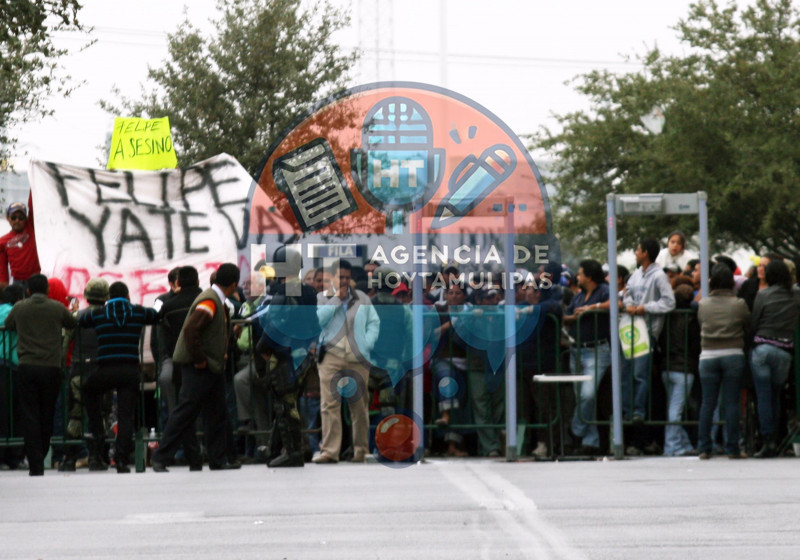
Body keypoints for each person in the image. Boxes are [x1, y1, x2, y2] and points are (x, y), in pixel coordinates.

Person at [151, 263, 242, 472]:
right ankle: (161, 457)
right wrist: (200, 359)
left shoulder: (215, 299)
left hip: (212, 365)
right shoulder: (209, 301)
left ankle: (218, 460)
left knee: (217, 413)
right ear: (234, 284)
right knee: (185, 412)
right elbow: (192, 330)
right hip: (200, 366)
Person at [79, 281, 159, 473]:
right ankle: (121, 460)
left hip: (105, 370)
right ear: (128, 295)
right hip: (130, 371)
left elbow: (82, 321)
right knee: (126, 416)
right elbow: (156, 315)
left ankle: (98, 443)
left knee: (88, 392)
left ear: (108, 297)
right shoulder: (138, 312)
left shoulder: (98, 314)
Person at [4, 274, 76, 475]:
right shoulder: (56, 307)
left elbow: (9, 325)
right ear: (47, 290)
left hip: (27, 366)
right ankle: (42, 452)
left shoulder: (20, 307)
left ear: (28, 291)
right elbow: (71, 323)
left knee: (30, 414)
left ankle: (35, 460)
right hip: (51, 367)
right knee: (47, 412)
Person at [255, 246, 320, 467]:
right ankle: (274, 450)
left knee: (285, 405)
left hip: (283, 356)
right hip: (303, 355)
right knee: (287, 404)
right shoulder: (310, 292)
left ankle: (293, 453)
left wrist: (261, 350)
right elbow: (315, 326)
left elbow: (274, 329)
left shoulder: (283, 293)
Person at [313, 259, 380, 464]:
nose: (343, 281)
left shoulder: (361, 298)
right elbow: (319, 321)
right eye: (339, 277)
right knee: (329, 404)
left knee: (359, 405)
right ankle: (330, 451)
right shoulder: (322, 298)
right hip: (331, 355)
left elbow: (374, 323)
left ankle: (361, 450)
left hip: (357, 357)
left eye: (346, 277)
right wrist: (335, 300)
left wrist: (366, 344)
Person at [696, 264, 750, 459]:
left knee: (707, 403)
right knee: (731, 403)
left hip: (708, 355)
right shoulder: (739, 304)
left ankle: (704, 447)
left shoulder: (704, 304)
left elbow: (701, 322)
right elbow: (747, 324)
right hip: (733, 353)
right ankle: (733, 448)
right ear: (731, 282)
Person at [621, 239, 676, 427]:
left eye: (638, 249)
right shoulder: (635, 275)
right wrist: (630, 306)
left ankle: (638, 411)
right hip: (630, 329)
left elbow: (669, 302)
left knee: (640, 374)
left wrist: (645, 308)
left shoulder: (659, 276)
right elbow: (627, 294)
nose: (635, 252)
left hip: (647, 331)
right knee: (626, 373)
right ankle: (627, 411)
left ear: (645, 253)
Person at [749, 259, 800, 458]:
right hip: (785, 351)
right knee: (776, 395)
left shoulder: (763, 295)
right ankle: (778, 439)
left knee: (763, 396)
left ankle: (767, 441)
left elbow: (754, 321)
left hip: (762, 349)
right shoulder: (796, 295)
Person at [60, 278, 109, 472]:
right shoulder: (110, 317)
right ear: (106, 297)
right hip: (102, 370)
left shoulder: (75, 317)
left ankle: (69, 459)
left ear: (87, 296)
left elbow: (64, 345)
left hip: (78, 371)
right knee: (101, 415)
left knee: (75, 416)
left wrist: (63, 366)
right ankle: (97, 458)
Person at [563, 259, 611, 455]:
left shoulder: (603, 290)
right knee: (582, 398)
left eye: (581, 274)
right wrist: (573, 317)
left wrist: (591, 308)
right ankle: (590, 441)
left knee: (587, 395)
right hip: (576, 350)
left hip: (596, 351)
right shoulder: (578, 296)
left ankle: (575, 430)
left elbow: (615, 304)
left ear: (589, 276)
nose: (577, 277)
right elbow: (565, 316)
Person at [660, 276, 700, 457]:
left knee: (673, 406)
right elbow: (694, 346)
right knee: (676, 409)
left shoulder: (667, 318)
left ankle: (682, 442)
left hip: (667, 366)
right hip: (684, 368)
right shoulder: (692, 319)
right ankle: (672, 446)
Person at [0, 201, 41, 288]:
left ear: (26, 219)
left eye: (21, 217)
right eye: (13, 217)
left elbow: (32, 204)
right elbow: (2, 269)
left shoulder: (31, 229)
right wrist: (3, 293)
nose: (17, 220)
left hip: (36, 280)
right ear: (8, 218)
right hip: (17, 283)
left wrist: (33, 187)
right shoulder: (2, 241)